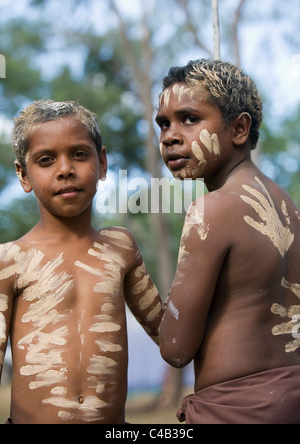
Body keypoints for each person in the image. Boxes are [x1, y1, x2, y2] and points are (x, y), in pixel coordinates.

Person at [0, 100, 163, 424]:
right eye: (46, 160)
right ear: (23, 174)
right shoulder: (11, 260)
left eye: (79, 154)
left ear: (102, 162)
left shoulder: (120, 248)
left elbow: (171, 337)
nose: (65, 169)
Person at [156, 59, 300, 424]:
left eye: (189, 119)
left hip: (236, 409)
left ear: (238, 128)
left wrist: (136, 286)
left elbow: (175, 348)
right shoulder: (288, 205)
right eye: (164, 123)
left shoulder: (212, 210)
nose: (170, 135)